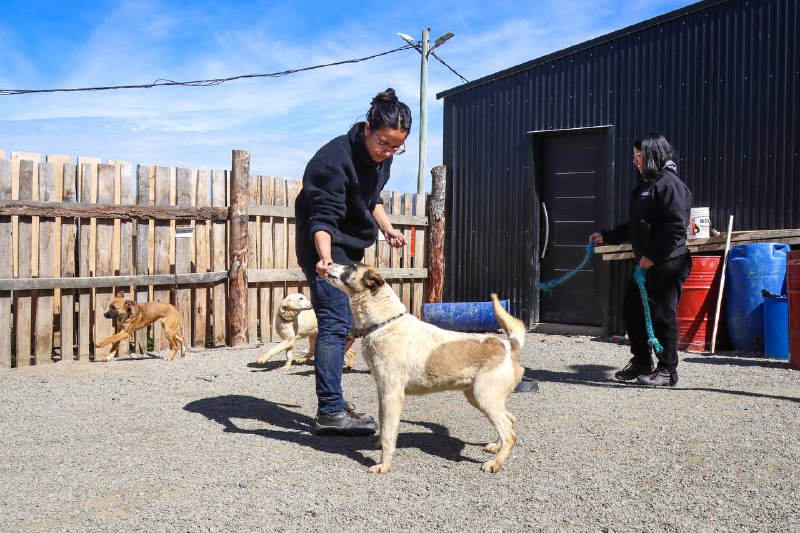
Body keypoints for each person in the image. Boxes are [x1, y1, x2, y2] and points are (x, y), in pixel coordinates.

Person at [294, 88, 411, 434]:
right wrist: (327, 262)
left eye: (396, 147)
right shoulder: (331, 161)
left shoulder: (380, 157)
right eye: (384, 144)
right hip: (324, 245)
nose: (388, 152)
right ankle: (330, 411)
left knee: (346, 324)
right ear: (367, 128)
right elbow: (322, 220)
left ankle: (333, 402)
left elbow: (370, 198)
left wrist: (387, 229)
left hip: (349, 246)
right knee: (333, 321)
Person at [590, 132, 692, 386]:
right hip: (647, 264)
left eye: (639, 156)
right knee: (631, 311)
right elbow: (637, 225)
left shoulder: (670, 184)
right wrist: (608, 235)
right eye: (634, 156)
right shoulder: (647, 184)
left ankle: (667, 369)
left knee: (661, 315)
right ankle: (641, 362)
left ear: (652, 155)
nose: (635, 161)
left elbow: (677, 226)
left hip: (668, 262)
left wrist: (652, 255)